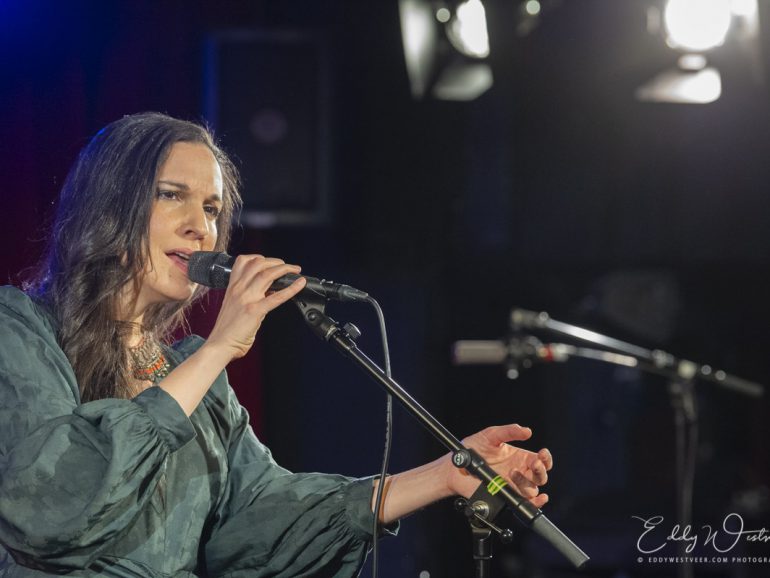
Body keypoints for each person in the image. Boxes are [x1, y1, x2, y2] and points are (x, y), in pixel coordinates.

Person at [0, 112, 553, 577]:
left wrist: (443, 474)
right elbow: (52, 502)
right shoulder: (20, 331)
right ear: (108, 207)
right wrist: (219, 348)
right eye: (173, 197)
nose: (202, 229)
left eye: (213, 209)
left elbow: (261, 517)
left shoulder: (195, 378)